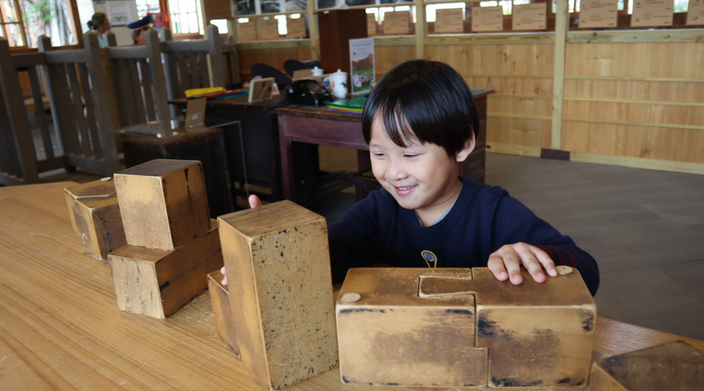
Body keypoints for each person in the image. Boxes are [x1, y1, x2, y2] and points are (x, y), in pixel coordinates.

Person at [223, 59, 600, 296]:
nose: (392, 171)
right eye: (379, 153)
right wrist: (278, 251)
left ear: (462, 144)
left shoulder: (493, 213)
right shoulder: (377, 210)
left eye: (410, 154)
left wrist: (534, 257)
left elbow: (587, 270)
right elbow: (331, 254)